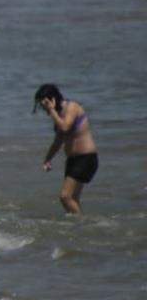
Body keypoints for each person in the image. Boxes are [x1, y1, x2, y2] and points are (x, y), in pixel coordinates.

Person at [35, 83, 98, 215]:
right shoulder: (57, 117)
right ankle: (79, 228)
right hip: (73, 161)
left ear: (53, 100)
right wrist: (48, 159)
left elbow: (65, 127)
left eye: (45, 105)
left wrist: (52, 111)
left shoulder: (72, 107)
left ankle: (80, 224)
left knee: (65, 197)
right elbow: (58, 141)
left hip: (86, 159)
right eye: (43, 106)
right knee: (72, 199)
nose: (45, 109)